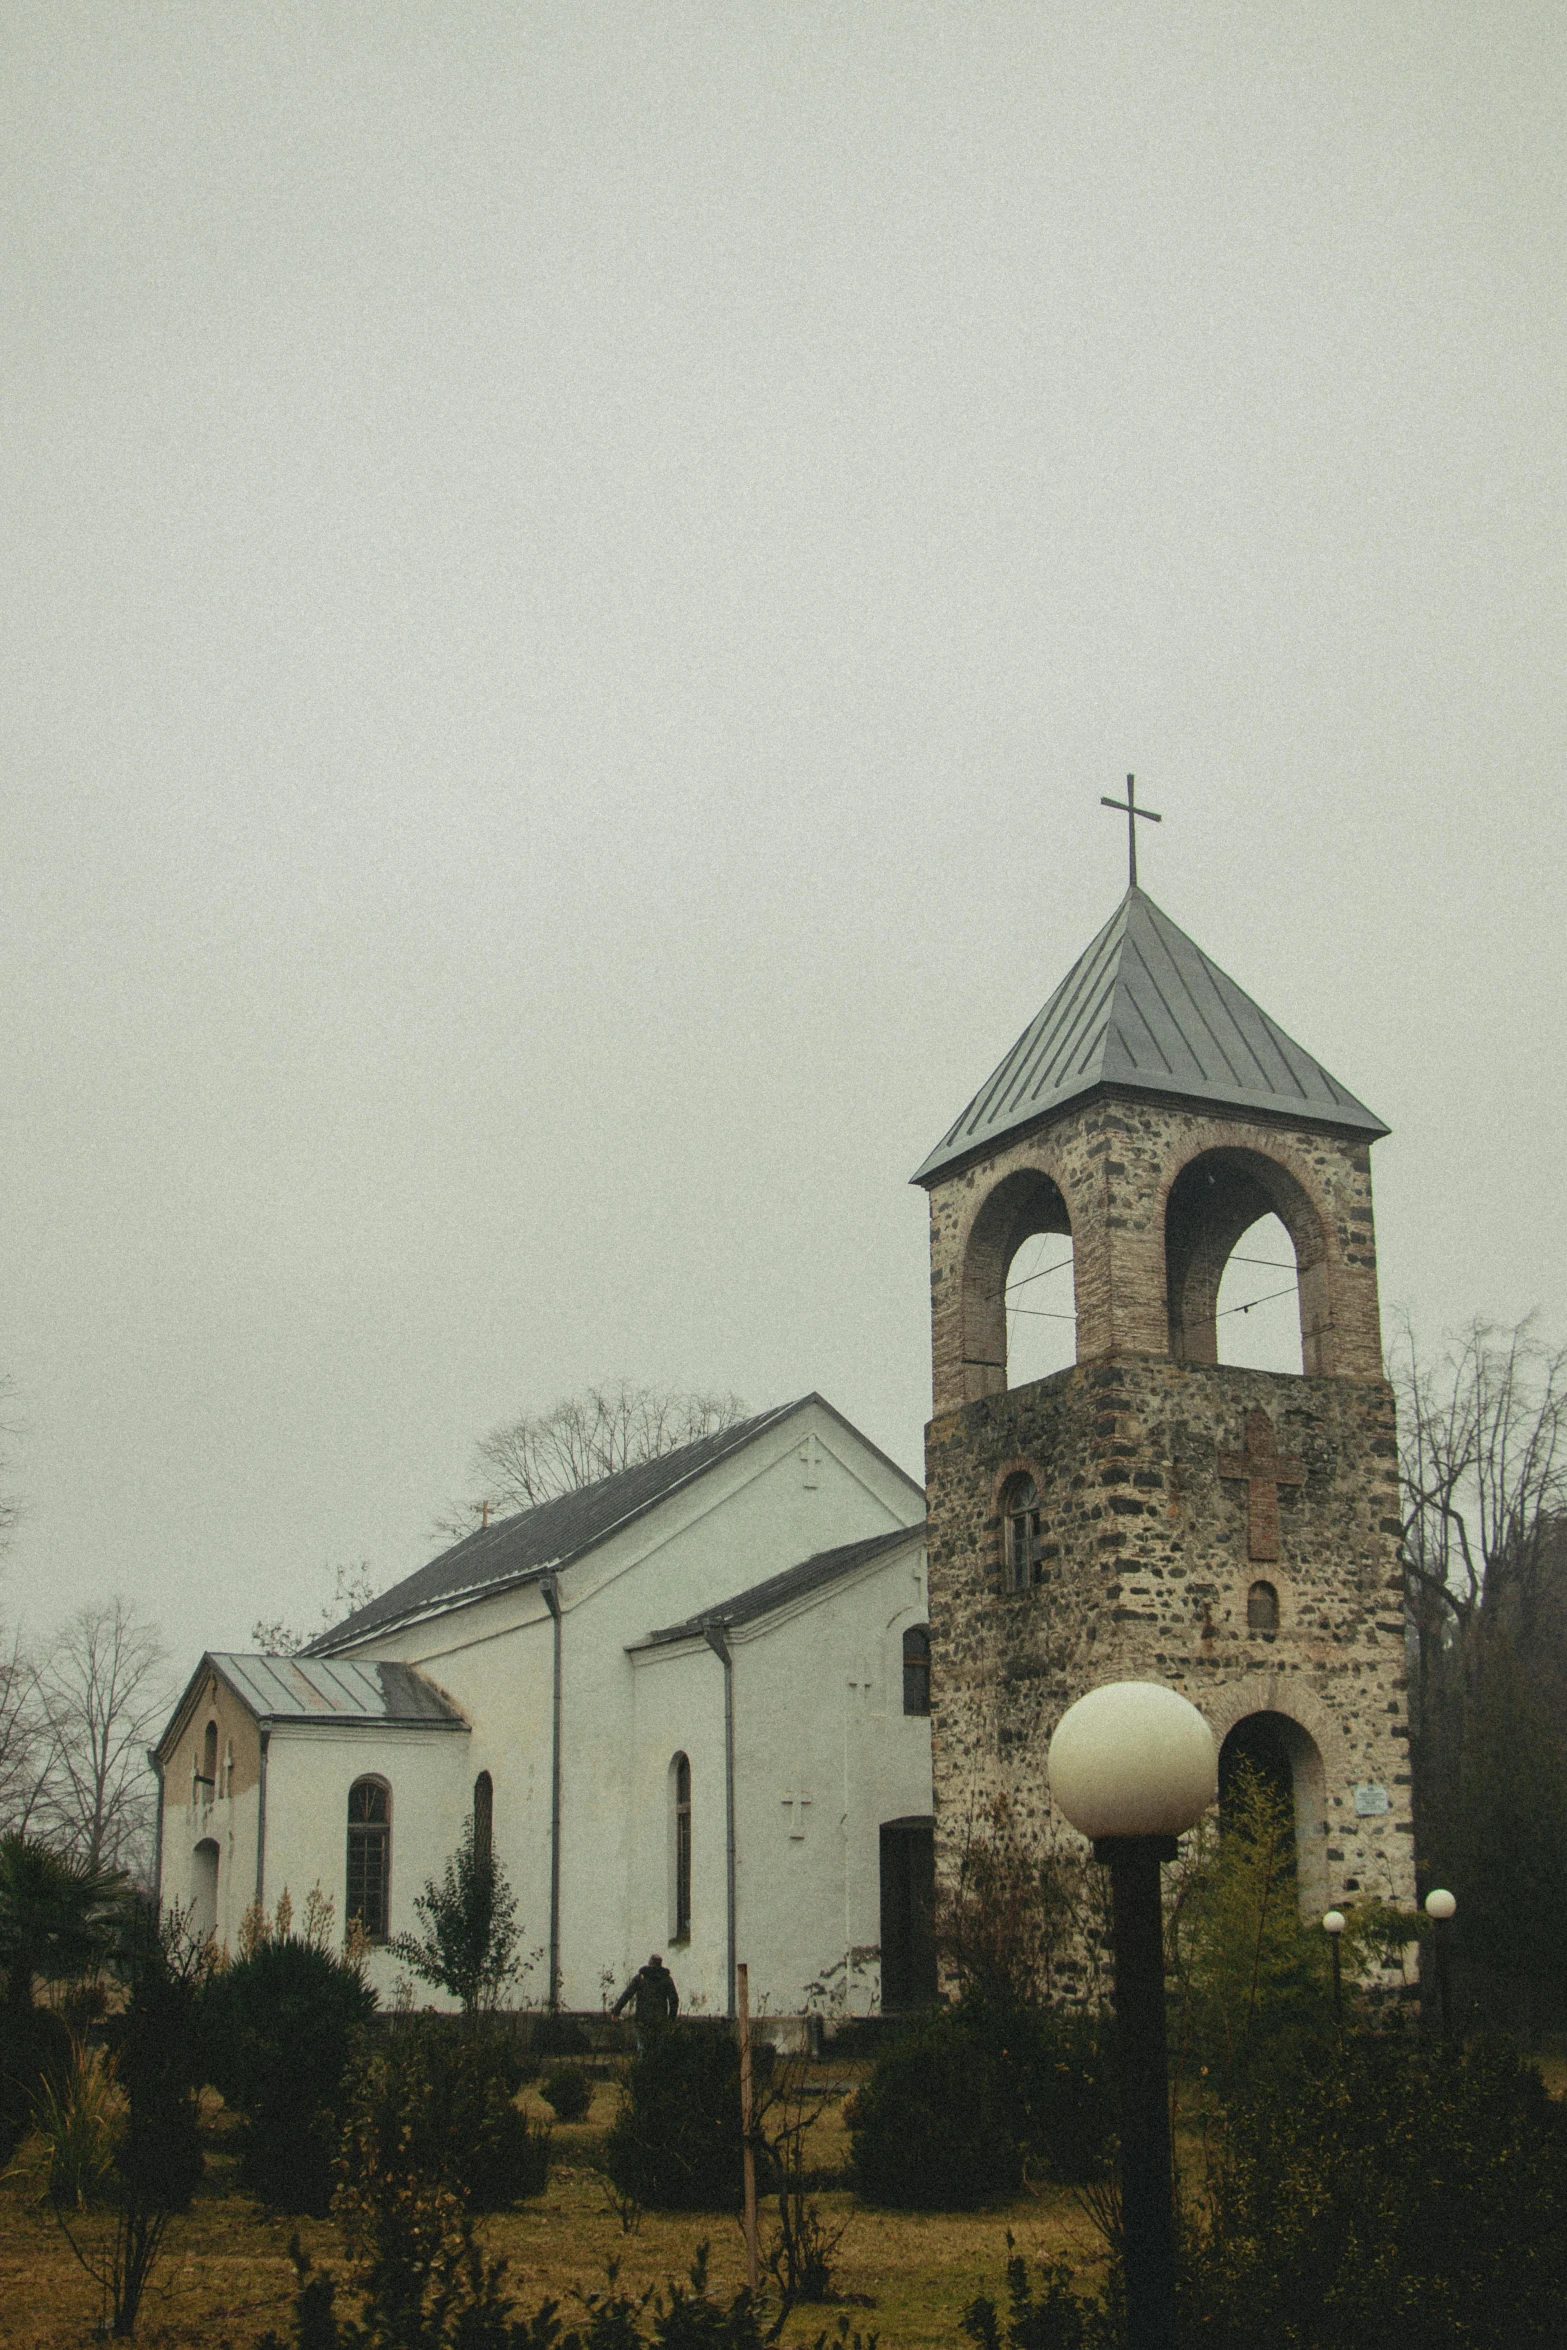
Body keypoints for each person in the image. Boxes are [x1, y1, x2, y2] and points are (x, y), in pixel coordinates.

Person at [612, 1951, 680, 2046]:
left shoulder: (640, 1978)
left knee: (643, 2050)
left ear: (649, 1963)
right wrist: (671, 2019)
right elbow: (674, 2000)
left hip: (642, 2020)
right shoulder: (666, 1979)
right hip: (660, 2021)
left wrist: (616, 2011)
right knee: (657, 2051)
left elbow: (627, 1994)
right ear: (660, 1964)